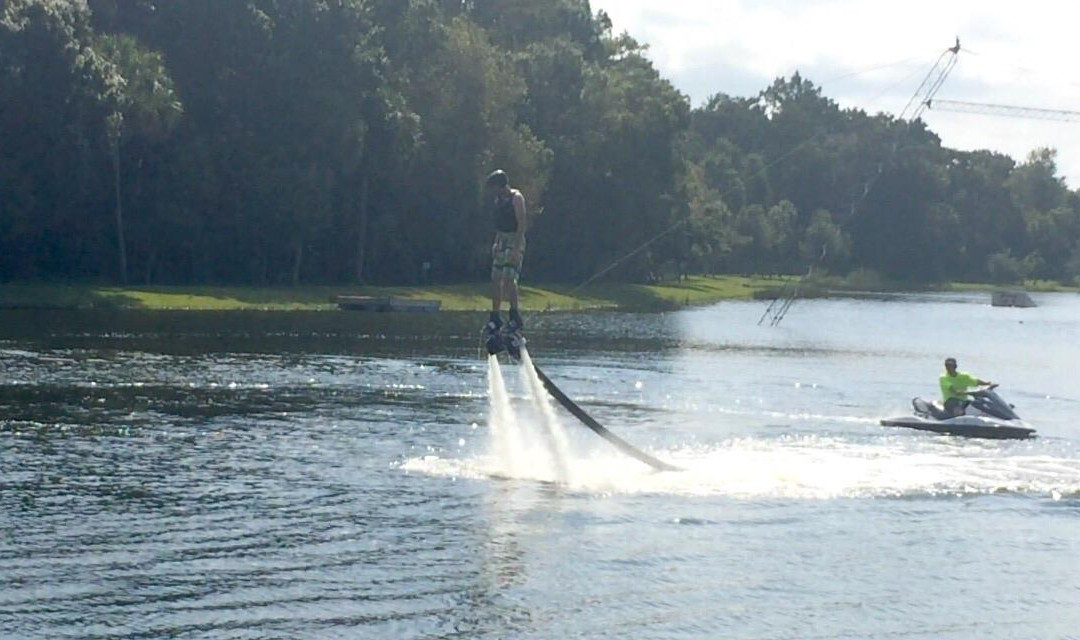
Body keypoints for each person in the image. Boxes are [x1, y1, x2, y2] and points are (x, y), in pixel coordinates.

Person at [484, 169, 527, 334]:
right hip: (501, 239)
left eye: (494, 187)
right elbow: (499, 225)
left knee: (509, 278)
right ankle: (495, 317)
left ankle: (514, 316)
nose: (493, 191)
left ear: (501, 185)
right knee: (496, 278)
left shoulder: (516, 198)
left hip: (514, 238)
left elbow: (522, 222)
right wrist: (495, 244)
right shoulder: (498, 200)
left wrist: (516, 248)